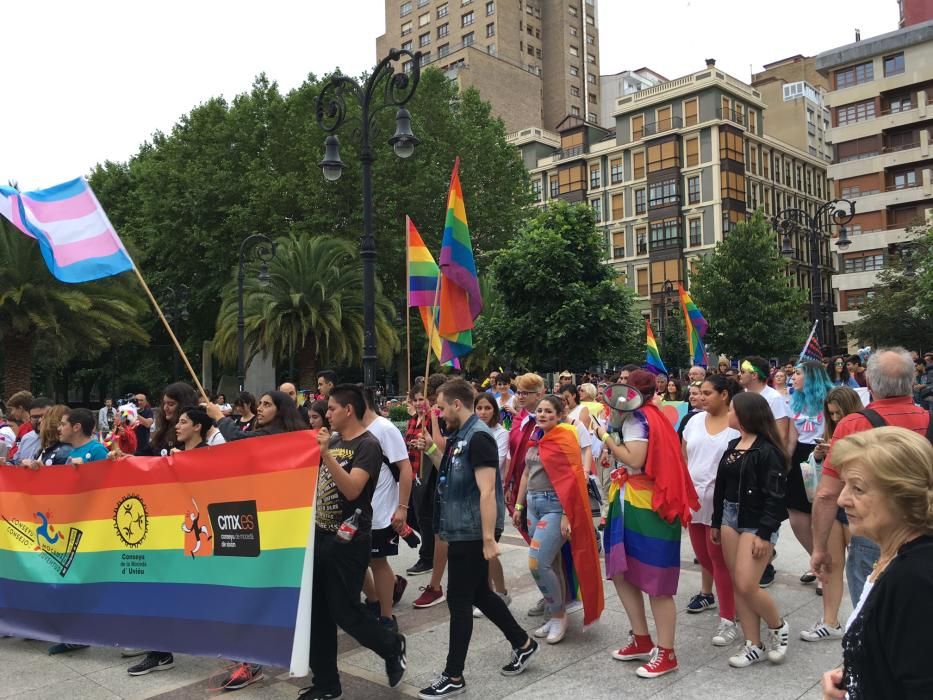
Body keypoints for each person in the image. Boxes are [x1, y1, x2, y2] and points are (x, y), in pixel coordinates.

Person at [414, 379, 538, 699]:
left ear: (457, 404)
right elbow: (451, 471)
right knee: (480, 592)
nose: (439, 413)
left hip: (472, 530)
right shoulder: (460, 436)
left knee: (458, 600)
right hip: (461, 527)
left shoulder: (479, 437)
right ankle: (523, 643)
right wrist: (429, 447)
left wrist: (487, 539)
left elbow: (486, 491)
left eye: (441, 407)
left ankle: (453, 675)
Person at [302, 384, 407, 699]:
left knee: (345, 611)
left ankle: (391, 645)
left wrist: (325, 456)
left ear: (349, 409)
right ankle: (326, 683)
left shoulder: (368, 445)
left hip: (348, 541)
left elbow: (352, 489)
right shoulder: (333, 441)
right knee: (317, 613)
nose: (327, 414)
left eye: (332, 408)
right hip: (321, 536)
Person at [593, 370, 699, 679]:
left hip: (648, 504)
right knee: (622, 572)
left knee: (656, 581)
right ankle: (641, 639)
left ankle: (667, 653)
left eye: (625, 384)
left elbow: (635, 458)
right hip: (629, 498)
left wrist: (605, 437)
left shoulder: (639, 418)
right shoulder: (636, 416)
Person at [811, 348, 932, 607]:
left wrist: (820, 546)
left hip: (875, 530)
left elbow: (827, 493)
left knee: (871, 613)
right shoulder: (928, 418)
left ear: (869, 382)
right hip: (924, 529)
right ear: (911, 382)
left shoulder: (853, 424)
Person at [820, 427, 933, 699]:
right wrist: (859, 675)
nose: (842, 498)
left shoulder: (914, 580)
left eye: (857, 489)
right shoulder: (895, 557)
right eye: (845, 484)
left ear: (903, 497)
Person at [511, 394, 604, 645]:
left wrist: (566, 514)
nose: (542, 415)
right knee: (551, 564)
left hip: (554, 507)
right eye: (539, 411)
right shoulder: (535, 438)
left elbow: (573, 478)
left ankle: (559, 616)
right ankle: (555, 615)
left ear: (560, 415)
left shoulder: (566, 438)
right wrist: (519, 504)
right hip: (532, 506)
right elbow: (526, 473)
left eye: (548, 412)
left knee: (536, 563)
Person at [710, 392, 790, 669]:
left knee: (746, 584)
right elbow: (721, 488)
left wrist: (765, 533)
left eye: (732, 409)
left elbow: (776, 497)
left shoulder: (768, 451)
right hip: (730, 518)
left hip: (756, 522)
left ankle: (778, 627)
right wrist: (716, 521)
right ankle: (753, 644)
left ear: (744, 415)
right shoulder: (733, 445)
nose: (728, 413)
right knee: (738, 585)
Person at [799, 386, 862, 644]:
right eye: (831, 414)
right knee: (830, 564)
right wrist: (817, 455)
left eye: (838, 413)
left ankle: (862, 623)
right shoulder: (832, 431)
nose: (835, 418)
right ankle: (829, 621)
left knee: (860, 566)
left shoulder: (862, 428)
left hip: (854, 502)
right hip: (832, 503)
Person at [681, 375, 740, 647]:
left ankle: (729, 619)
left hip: (722, 506)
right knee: (704, 558)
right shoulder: (693, 421)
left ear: (724, 395)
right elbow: (684, 458)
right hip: (694, 503)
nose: (701, 397)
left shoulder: (736, 425)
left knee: (720, 561)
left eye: (707, 393)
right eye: (700, 393)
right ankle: (733, 602)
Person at [360, 387, 414, 631]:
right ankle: (381, 597)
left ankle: (386, 615)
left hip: (382, 510)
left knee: (377, 561)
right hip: (360, 511)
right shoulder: (351, 431)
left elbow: (405, 468)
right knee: (361, 560)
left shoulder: (385, 428)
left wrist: (402, 508)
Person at [785, 361, 835, 585]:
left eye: (797, 373)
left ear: (812, 376)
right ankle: (816, 561)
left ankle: (827, 568)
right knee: (797, 516)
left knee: (821, 513)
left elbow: (835, 428)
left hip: (824, 454)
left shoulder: (831, 398)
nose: (792, 378)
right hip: (800, 458)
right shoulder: (793, 401)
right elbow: (792, 436)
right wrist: (786, 461)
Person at [410, 374, 450, 605]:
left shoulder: (440, 418)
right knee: (420, 517)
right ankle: (431, 556)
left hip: (435, 474)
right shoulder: (414, 419)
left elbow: (438, 445)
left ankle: (429, 559)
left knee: (430, 520)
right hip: (418, 473)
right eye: (415, 399)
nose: (419, 403)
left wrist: (433, 419)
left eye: (422, 398)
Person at [471, 392, 512, 618]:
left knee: (489, 546)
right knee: (479, 548)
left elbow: (495, 462)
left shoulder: (500, 434)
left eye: (488, 408)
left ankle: (501, 592)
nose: (483, 412)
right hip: (472, 495)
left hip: (492, 493)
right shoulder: (470, 431)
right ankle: (486, 594)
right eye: (479, 408)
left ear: (495, 411)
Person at [142, 383, 201, 457]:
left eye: (171, 404)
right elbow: (147, 453)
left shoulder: (195, 438)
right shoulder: (164, 431)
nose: (165, 408)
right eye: (164, 404)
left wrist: (183, 457)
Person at [21, 404, 71, 468]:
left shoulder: (64, 451)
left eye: (44, 417)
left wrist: (42, 469)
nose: (40, 420)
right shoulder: (44, 449)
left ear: (51, 422)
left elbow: (61, 476)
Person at [10, 397, 52, 465]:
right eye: (35, 417)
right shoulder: (26, 438)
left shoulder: (61, 441)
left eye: (44, 416)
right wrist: (5, 463)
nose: (39, 420)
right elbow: (16, 462)